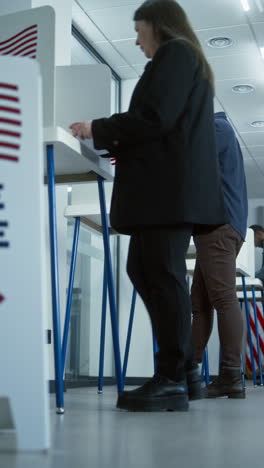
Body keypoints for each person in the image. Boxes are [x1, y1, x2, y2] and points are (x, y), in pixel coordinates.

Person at [70, 0, 228, 412]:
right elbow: (160, 122)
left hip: (167, 193)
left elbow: (154, 116)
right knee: (147, 269)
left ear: (159, 25)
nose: (138, 40)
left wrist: (97, 129)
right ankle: (185, 373)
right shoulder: (185, 60)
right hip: (168, 191)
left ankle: (173, 377)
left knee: (160, 272)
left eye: (140, 30)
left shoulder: (176, 54)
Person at [190, 112, 248, 399]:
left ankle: (231, 375)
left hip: (218, 227)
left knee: (223, 299)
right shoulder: (219, 128)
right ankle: (189, 370)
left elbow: (189, 161)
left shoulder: (215, 126)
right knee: (200, 301)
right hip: (217, 227)